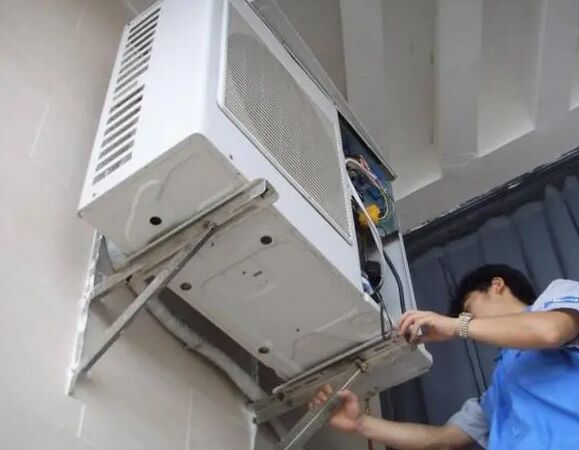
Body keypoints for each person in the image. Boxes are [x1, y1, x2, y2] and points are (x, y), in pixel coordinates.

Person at [310, 264, 579, 450]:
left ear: (496, 286)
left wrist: (456, 326)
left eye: (468, 310)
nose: (468, 320)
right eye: (465, 316)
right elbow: (442, 439)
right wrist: (360, 423)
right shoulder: (496, 394)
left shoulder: (556, 298)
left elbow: (549, 331)